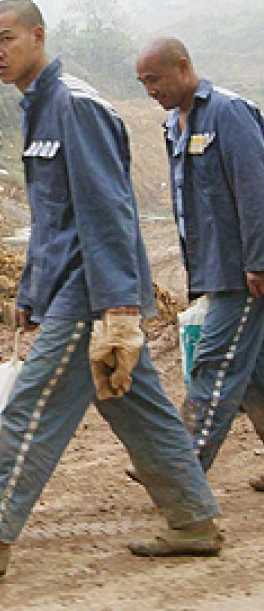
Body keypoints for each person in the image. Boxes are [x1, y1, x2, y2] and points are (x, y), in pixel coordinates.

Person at [0, 0, 222, 577]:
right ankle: (194, 520)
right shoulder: (39, 109)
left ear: (37, 36)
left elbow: (108, 212)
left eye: (5, 39)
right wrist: (29, 294)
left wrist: (117, 312)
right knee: (137, 407)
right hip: (72, 289)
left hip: (90, 295)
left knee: (30, 409)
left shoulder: (75, 107)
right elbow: (53, 219)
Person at [136, 37, 264, 487]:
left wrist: (259, 260)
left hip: (243, 271)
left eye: (155, 79)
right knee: (252, 374)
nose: (149, 90)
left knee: (215, 364)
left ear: (183, 66)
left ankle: (182, 473)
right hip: (214, 268)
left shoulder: (228, 113)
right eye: (142, 83)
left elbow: (255, 191)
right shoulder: (175, 125)